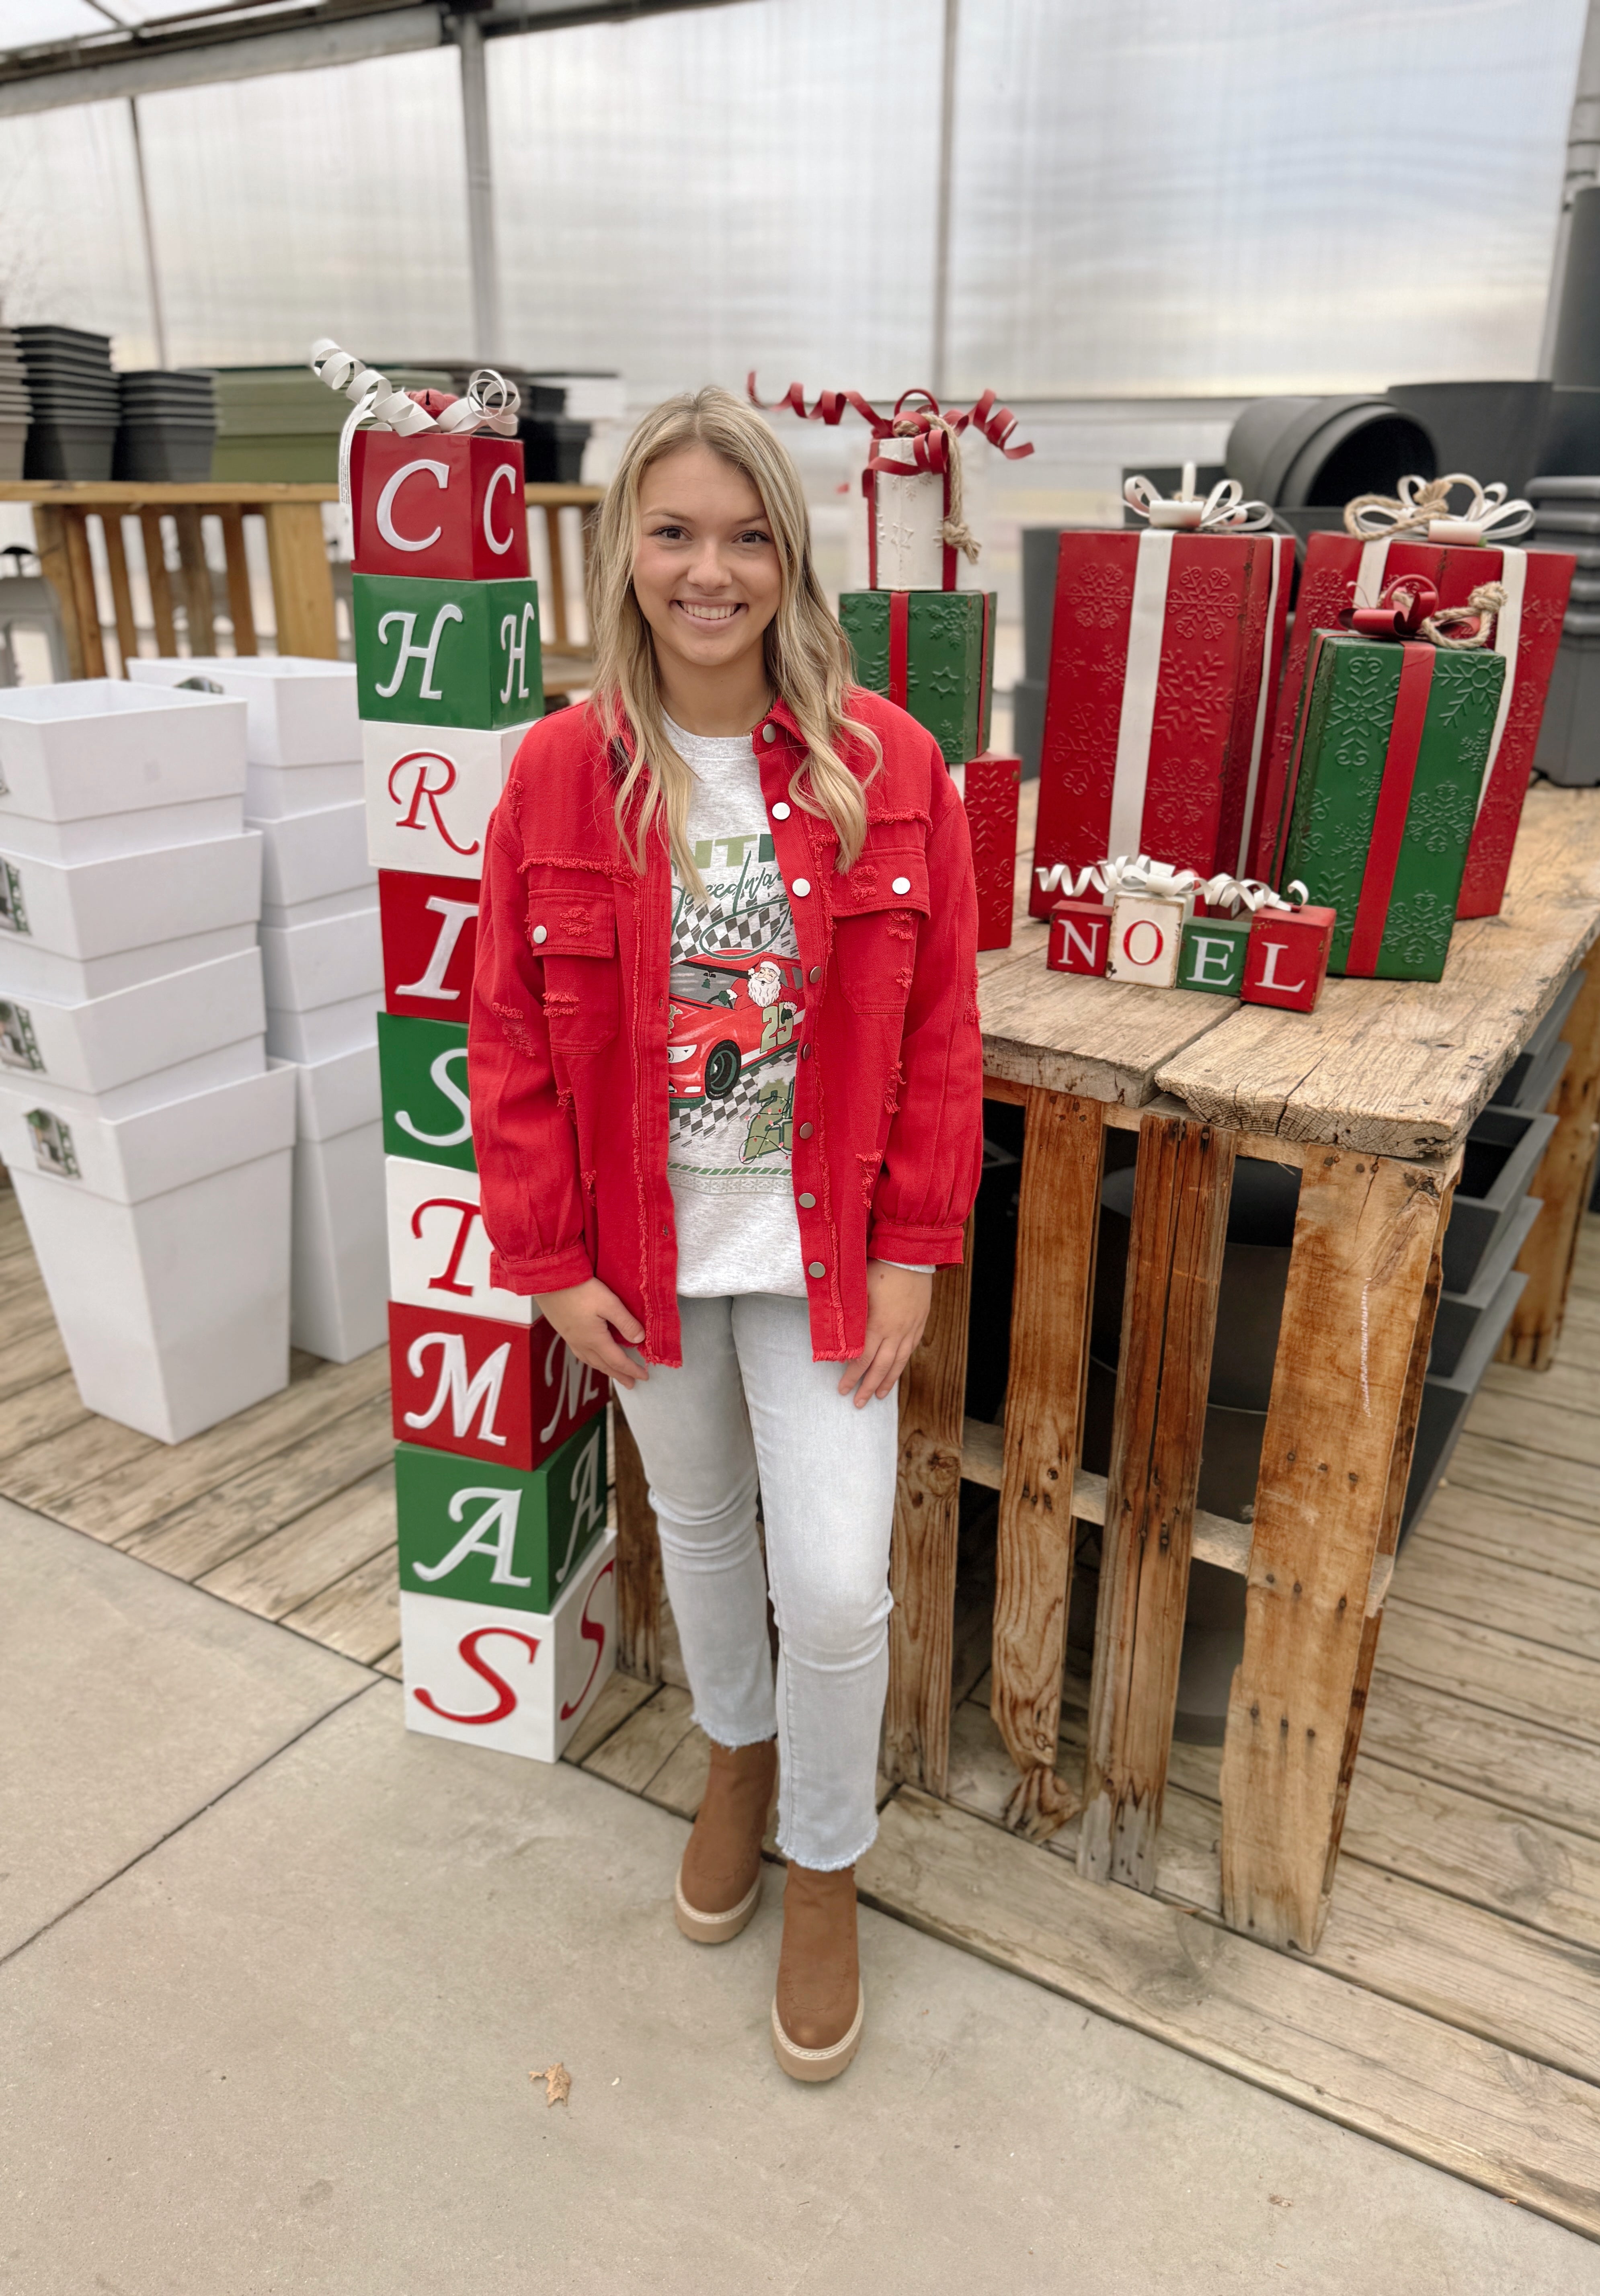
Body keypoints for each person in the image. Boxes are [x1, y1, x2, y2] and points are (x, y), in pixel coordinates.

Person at [468, 385, 983, 2082]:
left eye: (749, 535)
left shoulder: (888, 766)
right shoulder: (556, 773)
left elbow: (942, 1030)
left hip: (827, 1256)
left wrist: (914, 1242)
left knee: (835, 1581)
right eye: (677, 532)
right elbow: (510, 1040)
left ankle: (824, 1864)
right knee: (699, 1530)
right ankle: (737, 1759)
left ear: (792, 556)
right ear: (625, 551)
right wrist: (546, 1262)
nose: (713, 570)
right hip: (646, 1261)